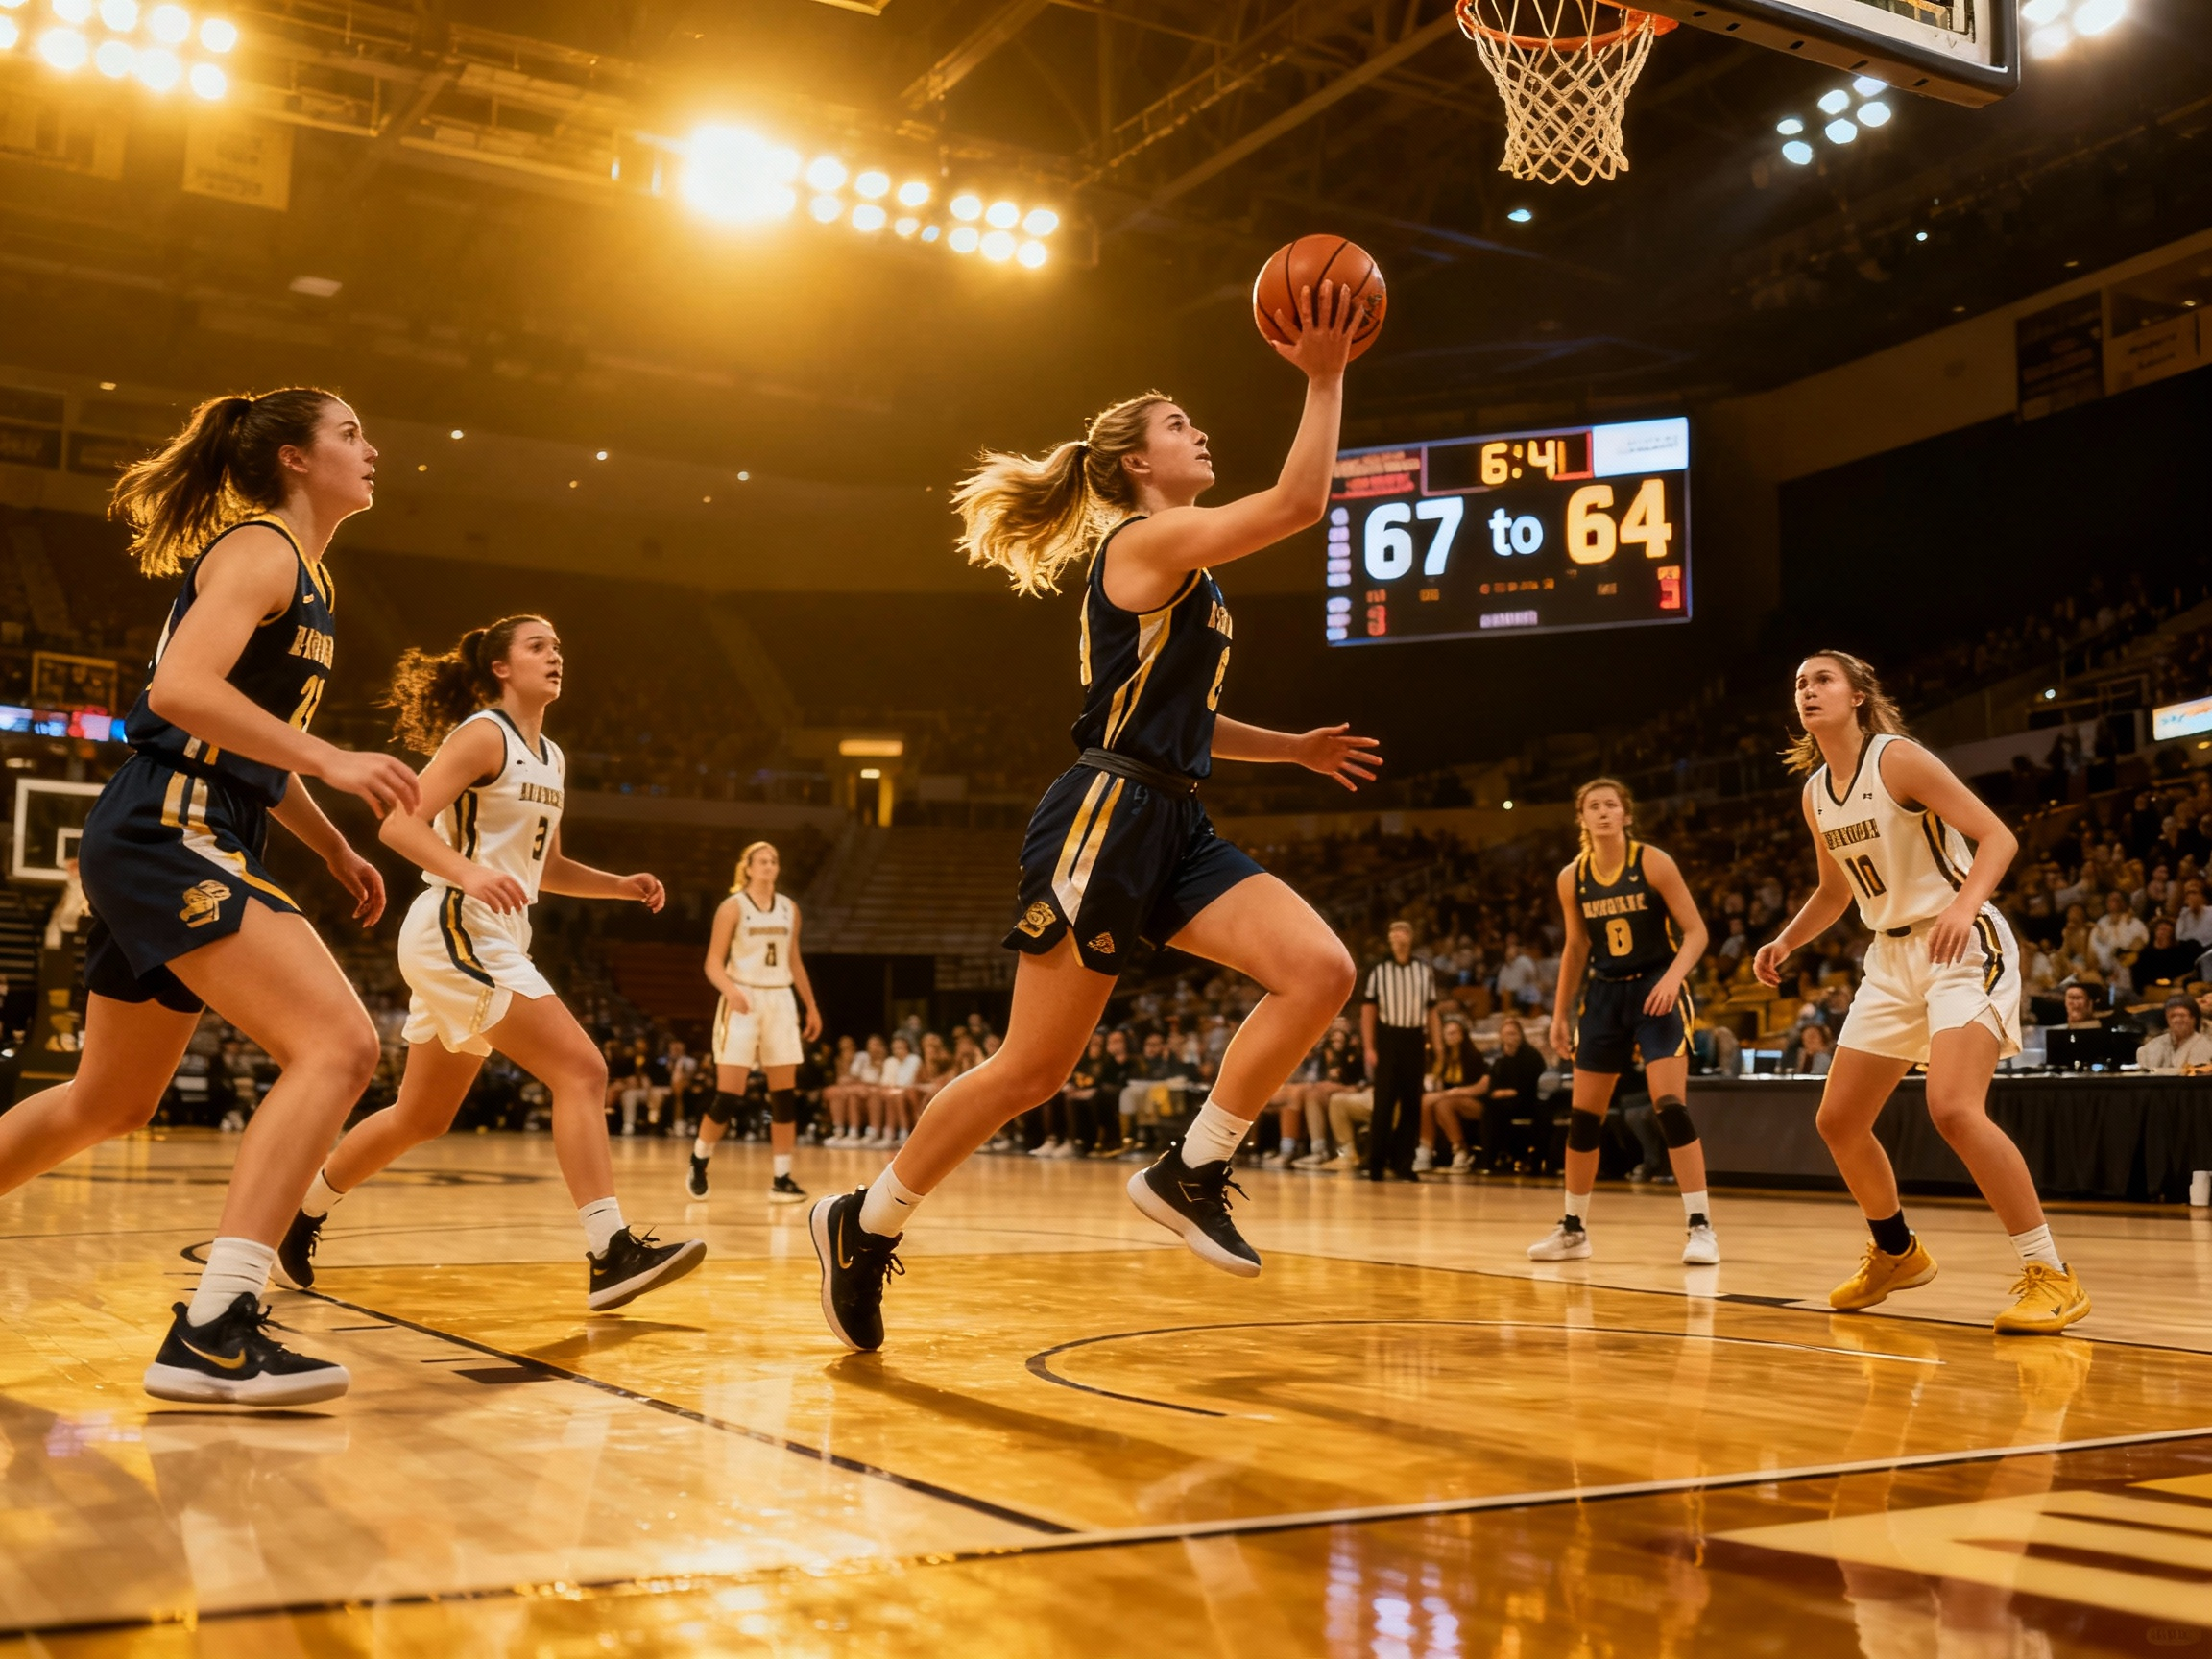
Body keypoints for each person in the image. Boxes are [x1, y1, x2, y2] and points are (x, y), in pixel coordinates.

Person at [809, 280, 1378, 1352]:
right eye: (1179, 426)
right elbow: (1302, 505)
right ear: (1134, 466)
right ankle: (865, 1223)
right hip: (1106, 816)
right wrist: (1325, 374)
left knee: (1322, 971)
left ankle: (1194, 1163)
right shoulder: (1143, 547)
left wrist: (1288, 747)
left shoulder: (1187, 569)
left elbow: (1186, 716)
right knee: (1031, 1072)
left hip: (1175, 819)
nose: (1199, 433)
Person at [0, 389, 419, 1406]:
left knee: (108, 1100)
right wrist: (332, 755)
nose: (372, 448)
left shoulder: (308, 572)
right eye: (351, 433)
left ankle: (216, 1324)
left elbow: (246, 746)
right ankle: (214, 1325)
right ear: (293, 458)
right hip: (166, 827)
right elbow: (180, 695)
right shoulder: (262, 549)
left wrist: (326, 844)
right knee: (340, 1045)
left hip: (187, 826)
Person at [277, 615, 704, 1311]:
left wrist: (618, 884)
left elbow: (549, 866)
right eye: (539, 646)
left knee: (421, 1116)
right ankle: (609, 1250)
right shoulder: (482, 735)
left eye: (559, 647)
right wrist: (469, 874)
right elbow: (397, 824)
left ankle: (298, 1217)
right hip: (456, 925)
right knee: (583, 1069)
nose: (555, 655)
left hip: (496, 931)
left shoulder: (552, 756)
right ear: (502, 667)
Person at [1754, 650, 2088, 1335]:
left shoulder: (1897, 759)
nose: (1807, 691)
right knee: (1839, 1121)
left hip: (1961, 944)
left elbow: (1997, 837)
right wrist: (1786, 940)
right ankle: (1896, 1251)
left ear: (1856, 695)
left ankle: (2053, 1275)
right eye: (1800, 684)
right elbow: (1835, 890)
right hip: (1891, 957)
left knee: (1954, 1109)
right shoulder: (1817, 791)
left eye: (1822, 680)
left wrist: (1964, 907)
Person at [1529, 778, 1718, 1266]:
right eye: (1594, 806)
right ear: (1583, 818)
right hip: (1605, 994)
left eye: (1612, 805)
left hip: (1656, 987)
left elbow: (1696, 932)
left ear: (1626, 815)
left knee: (1669, 1104)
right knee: (1584, 1117)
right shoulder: (1572, 877)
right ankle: (1573, 1228)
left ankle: (1701, 1227)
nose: (1604, 812)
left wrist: (1674, 979)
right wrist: (1558, 1014)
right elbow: (1575, 948)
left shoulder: (1652, 861)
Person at [691, 842, 823, 1203]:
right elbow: (712, 963)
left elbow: (794, 960)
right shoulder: (732, 907)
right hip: (743, 997)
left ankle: (782, 1178)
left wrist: (810, 1005)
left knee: (783, 1096)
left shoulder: (788, 909)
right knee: (729, 1094)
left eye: (774, 861)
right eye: (762, 861)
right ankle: (700, 1158)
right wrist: (730, 991)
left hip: (780, 997)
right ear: (747, 868)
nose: (769, 865)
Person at [1361, 921, 1441, 1182]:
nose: (1400, 935)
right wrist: (1369, 1046)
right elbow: (1368, 1010)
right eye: (1395, 930)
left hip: (1414, 1039)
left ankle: (1404, 1163)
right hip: (1388, 1038)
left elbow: (1432, 1010)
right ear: (1389, 937)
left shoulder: (1423, 970)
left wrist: (1437, 1043)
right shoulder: (1379, 969)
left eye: (1405, 930)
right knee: (1383, 1103)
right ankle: (1375, 1163)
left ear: (1412, 936)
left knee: (1411, 1104)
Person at [1479, 1017, 1547, 1173]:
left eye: (1514, 1034)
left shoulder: (1531, 1056)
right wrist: (1501, 1092)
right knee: (1489, 1110)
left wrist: (1505, 1092)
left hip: (1527, 1101)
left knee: (1499, 1109)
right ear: (1501, 1036)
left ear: (1521, 1035)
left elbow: (1529, 1084)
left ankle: (1515, 1156)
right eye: (1507, 1034)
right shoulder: (1499, 1058)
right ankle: (1488, 1160)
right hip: (1502, 1101)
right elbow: (1493, 1086)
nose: (1511, 1037)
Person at [1423, 1016, 1490, 1174]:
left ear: (1462, 1034)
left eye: (1455, 1033)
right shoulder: (1441, 1059)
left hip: (1476, 1101)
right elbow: (1438, 1085)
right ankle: (1429, 1148)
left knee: (1437, 1102)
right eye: (1448, 1034)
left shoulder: (1474, 1056)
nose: (1452, 1037)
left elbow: (1483, 1086)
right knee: (1431, 1102)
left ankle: (1459, 1150)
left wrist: (1454, 1092)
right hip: (1448, 1099)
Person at [2136, 994, 2212, 1073]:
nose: (2177, 1020)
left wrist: (2158, 1071)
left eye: (2182, 1015)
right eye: (2172, 1016)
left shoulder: (2206, 1045)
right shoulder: (2154, 1045)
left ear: (2193, 1018)